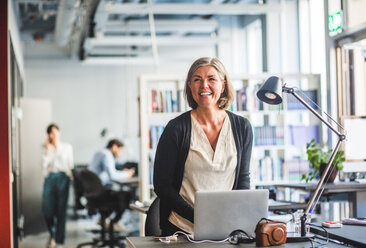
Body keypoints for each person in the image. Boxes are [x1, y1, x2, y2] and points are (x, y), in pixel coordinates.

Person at [153, 57, 253, 236]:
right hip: (182, 229)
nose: (204, 85)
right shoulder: (176, 129)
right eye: (197, 79)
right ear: (190, 86)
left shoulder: (242, 127)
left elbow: (243, 181)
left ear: (223, 85)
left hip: (226, 227)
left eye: (211, 79)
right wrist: (200, 216)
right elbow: (162, 185)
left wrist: (234, 218)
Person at [88, 139, 135, 232]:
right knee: (126, 195)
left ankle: (104, 219)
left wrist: (122, 172)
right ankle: (115, 222)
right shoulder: (107, 155)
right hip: (100, 193)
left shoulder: (100, 152)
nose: (120, 154)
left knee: (118, 192)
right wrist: (127, 174)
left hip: (94, 192)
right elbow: (112, 175)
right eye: (120, 150)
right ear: (114, 147)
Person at [42, 123, 74, 248]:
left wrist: (70, 181)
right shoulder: (47, 148)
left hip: (63, 178)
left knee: (61, 211)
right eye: (50, 133)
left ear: (59, 132)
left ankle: (59, 241)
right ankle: (52, 234)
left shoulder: (67, 147)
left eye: (54, 132)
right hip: (50, 178)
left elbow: (70, 165)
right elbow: (43, 166)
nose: (53, 135)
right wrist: (47, 149)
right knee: (47, 210)